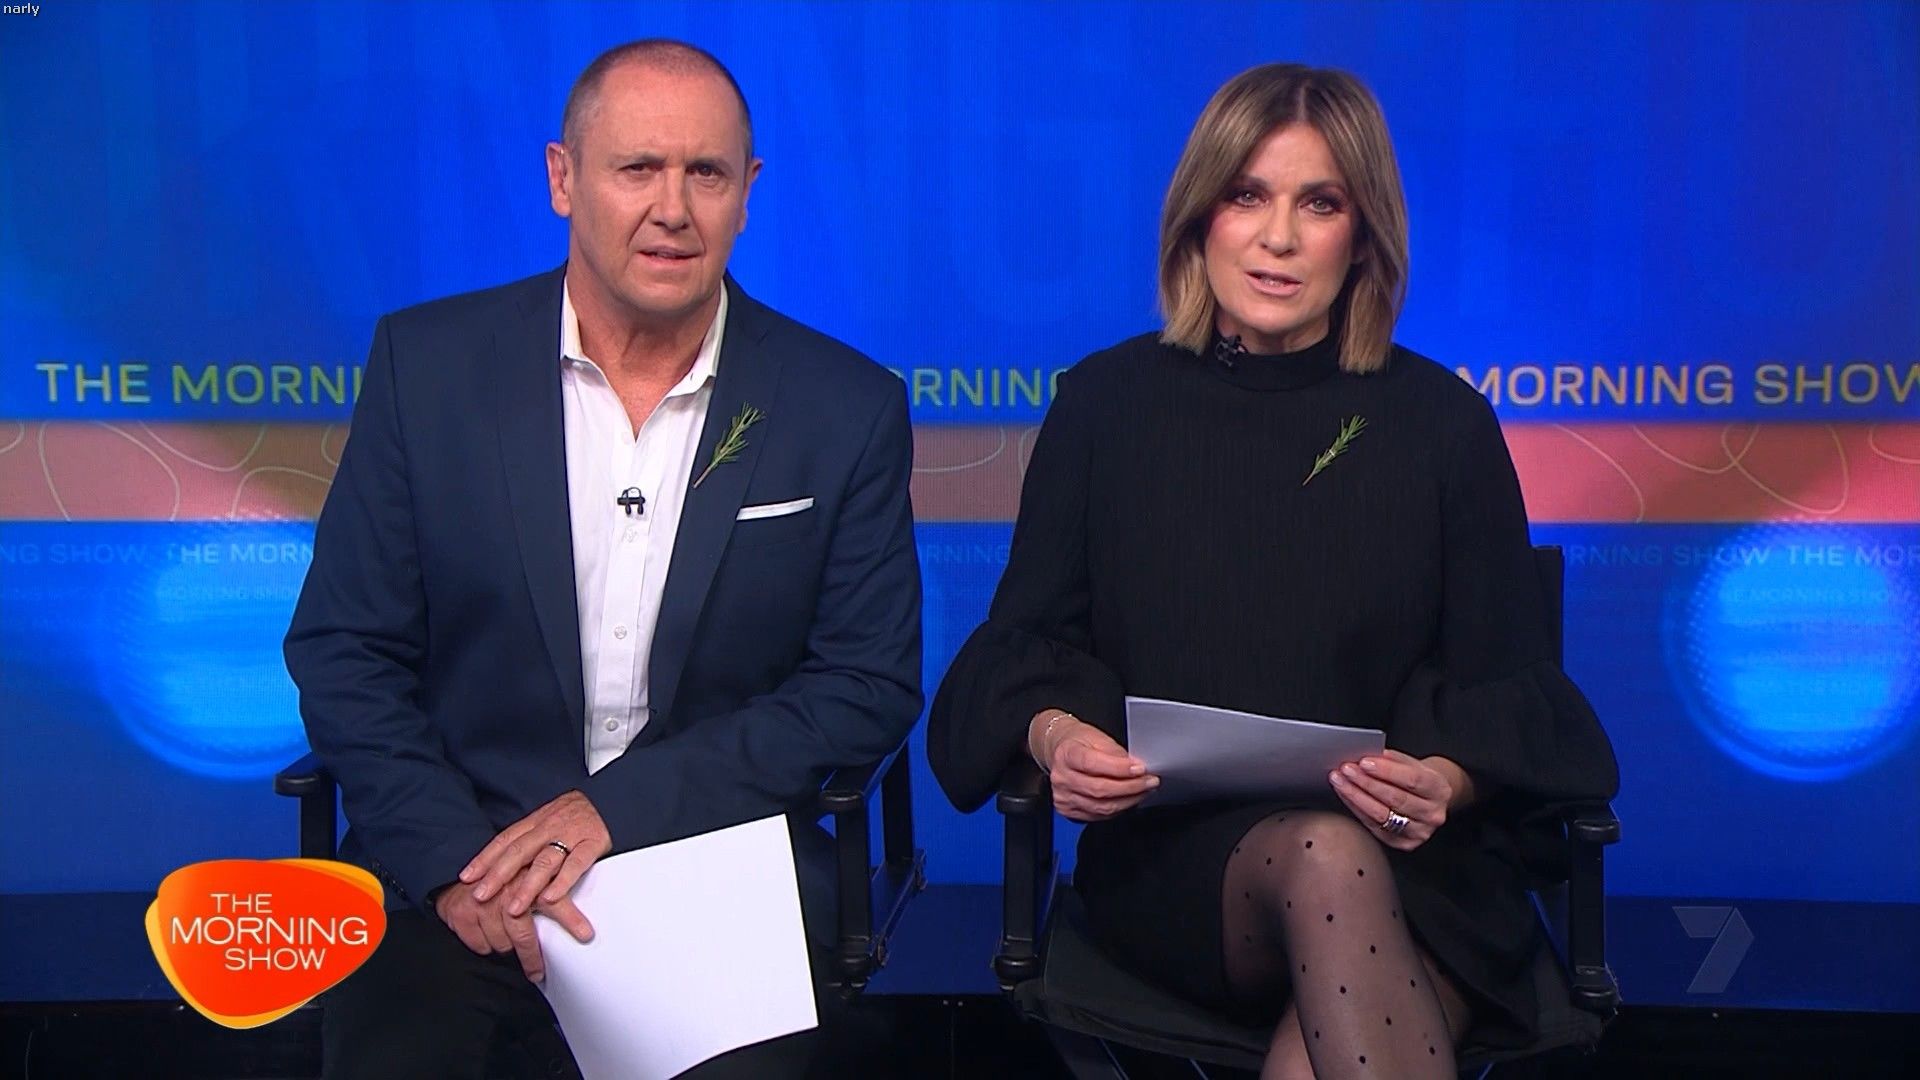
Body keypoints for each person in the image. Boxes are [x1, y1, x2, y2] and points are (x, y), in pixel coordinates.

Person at [927, 63, 1618, 1080]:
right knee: (1324, 861)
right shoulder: (1105, 407)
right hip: (1183, 871)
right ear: (1199, 216)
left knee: (1341, 914)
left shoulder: (1444, 425)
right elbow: (1025, 647)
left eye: (1320, 203)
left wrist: (1445, 780)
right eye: (1248, 195)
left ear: (1364, 233)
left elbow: (1508, 685)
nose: (1279, 238)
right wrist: (1058, 736)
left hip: (1417, 865)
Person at [284, 39, 921, 1080]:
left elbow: (865, 683)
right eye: (637, 169)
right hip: (464, 863)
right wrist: (455, 869)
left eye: (706, 173)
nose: (673, 208)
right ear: (563, 178)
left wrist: (614, 813)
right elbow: (346, 651)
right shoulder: (426, 369)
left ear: (747, 193)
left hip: (712, 871)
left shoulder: (843, 406)